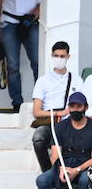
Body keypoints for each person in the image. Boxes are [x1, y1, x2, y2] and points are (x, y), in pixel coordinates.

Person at [37, 91, 92, 189]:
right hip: (64, 164)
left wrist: (77, 170)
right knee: (42, 180)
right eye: (72, 106)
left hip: (85, 166)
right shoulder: (61, 127)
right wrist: (62, 169)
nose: (75, 110)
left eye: (78, 106)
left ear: (85, 107)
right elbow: (55, 155)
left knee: (86, 181)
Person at [32, 42, 84, 173]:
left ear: (68, 57)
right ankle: (49, 174)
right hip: (50, 121)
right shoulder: (43, 81)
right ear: (51, 55)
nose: (59, 59)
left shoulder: (77, 80)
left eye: (62, 56)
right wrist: (59, 113)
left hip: (70, 122)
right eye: (56, 56)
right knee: (38, 138)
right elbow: (36, 112)